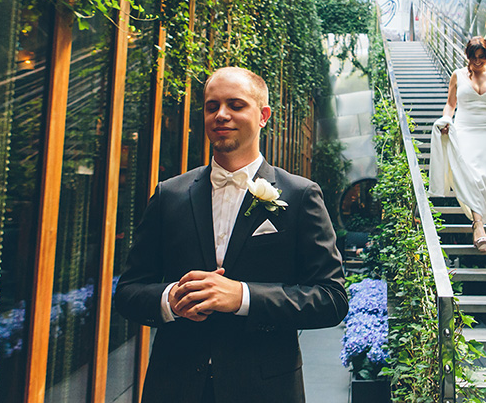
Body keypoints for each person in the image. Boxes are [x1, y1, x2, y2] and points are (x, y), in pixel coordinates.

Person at [114, 67, 348, 403]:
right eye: (212, 106)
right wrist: (170, 301)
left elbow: (331, 299)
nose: (221, 115)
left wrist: (243, 297)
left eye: (236, 105)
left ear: (263, 115)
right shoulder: (169, 194)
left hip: (264, 389)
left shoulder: (300, 195)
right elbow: (129, 291)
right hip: (173, 386)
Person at [428, 37, 486, 252]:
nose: (477, 62)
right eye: (473, 57)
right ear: (467, 56)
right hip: (465, 129)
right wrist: (446, 121)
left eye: (482, 57)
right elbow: (451, 104)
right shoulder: (458, 75)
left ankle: (478, 220)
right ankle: (478, 225)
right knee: (470, 174)